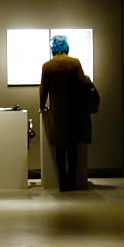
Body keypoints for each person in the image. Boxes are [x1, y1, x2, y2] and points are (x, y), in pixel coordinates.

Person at [39, 35, 92, 191]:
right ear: (66, 47)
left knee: (60, 149)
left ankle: (63, 183)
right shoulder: (74, 63)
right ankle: (72, 182)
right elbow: (83, 83)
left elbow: (43, 90)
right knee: (73, 149)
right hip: (73, 111)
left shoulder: (47, 66)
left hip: (57, 113)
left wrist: (42, 106)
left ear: (53, 48)